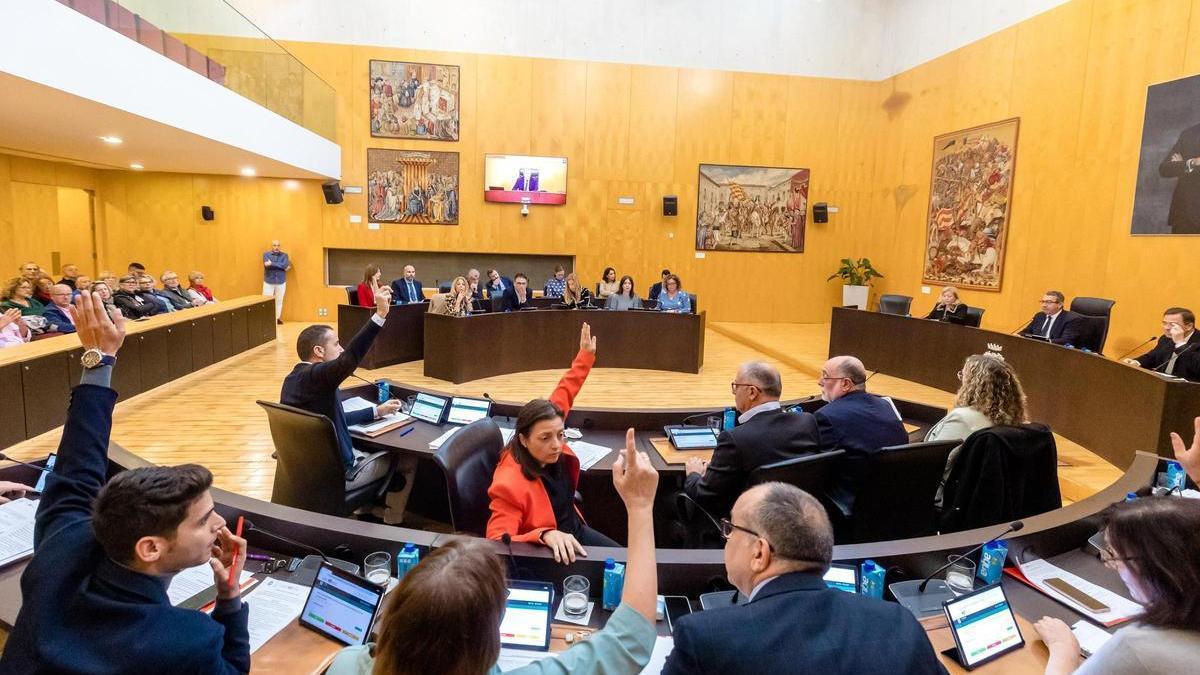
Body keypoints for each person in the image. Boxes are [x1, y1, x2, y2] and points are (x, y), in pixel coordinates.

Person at [0, 291, 251, 673]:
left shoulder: (61, 550)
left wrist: (98, 360)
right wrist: (229, 597)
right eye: (204, 520)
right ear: (150, 547)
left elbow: (76, 469)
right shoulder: (186, 640)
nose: (220, 526)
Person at [327, 426, 660, 675]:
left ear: (392, 619)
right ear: (488, 641)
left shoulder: (346, 666)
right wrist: (641, 506)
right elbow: (629, 641)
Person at [661, 483, 946, 674]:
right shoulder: (899, 624)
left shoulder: (703, 638)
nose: (726, 538)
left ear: (759, 553)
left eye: (730, 529)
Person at [487, 323, 620, 559]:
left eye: (560, 434)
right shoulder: (509, 483)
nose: (557, 444)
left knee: (627, 560)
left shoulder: (547, 424)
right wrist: (544, 534)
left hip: (576, 530)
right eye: (545, 438)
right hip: (551, 551)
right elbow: (497, 541)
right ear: (524, 440)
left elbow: (565, 391)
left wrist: (585, 356)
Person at [1033, 497, 1200, 675]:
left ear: (1152, 565)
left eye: (1113, 554)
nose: (1111, 566)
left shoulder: (1136, 645)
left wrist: (1063, 649)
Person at [281, 286, 402, 482]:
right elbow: (349, 359)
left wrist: (377, 412)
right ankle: (392, 514)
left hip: (310, 472)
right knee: (402, 462)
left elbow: (333, 419)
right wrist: (380, 314)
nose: (342, 348)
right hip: (341, 474)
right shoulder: (317, 376)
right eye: (336, 344)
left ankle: (364, 510)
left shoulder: (293, 379)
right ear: (319, 351)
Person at [684, 361, 821, 518]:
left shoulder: (735, 438)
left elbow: (705, 495)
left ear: (752, 392)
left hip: (748, 523)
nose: (733, 392)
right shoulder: (807, 422)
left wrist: (694, 474)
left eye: (736, 386)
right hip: (797, 515)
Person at [927, 353, 1028, 507]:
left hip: (944, 499)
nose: (960, 381)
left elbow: (933, 464)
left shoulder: (962, 419)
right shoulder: (1014, 420)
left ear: (973, 384)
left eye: (963, 375)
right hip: (986, 500)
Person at [814, 356, 908, 516]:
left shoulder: (826, 416)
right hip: (894, 502)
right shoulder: (885, 406)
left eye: (825, 376)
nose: (819, 381)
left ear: (845, 383)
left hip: (852, 508)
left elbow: (818, 468)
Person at [1124, 307, 1200, 381]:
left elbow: (1197, 367)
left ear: (1189, 326)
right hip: (1162, 385)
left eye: (1172, 324)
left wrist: (1180, 343)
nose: (1167, 327)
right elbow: (1153, 356)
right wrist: (1136, 362)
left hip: (1190, 389)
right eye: (1164, 323)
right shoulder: (1165, 338)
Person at [1157, 122, 1200, 234]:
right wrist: (1192, 162)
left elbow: (1175, 167)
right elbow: (1164, 169)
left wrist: (1182, 164)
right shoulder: (1188, 134)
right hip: (1184, 216)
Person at [263, 239, 291, 324]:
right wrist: (281, 266)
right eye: (274, 245)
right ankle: (266, 319)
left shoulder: (285, 255)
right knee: (266, 301)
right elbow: (267, 266)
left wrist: (272, 264)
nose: (276, 247)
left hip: (281, 281)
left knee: (279, 301)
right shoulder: (266, 254)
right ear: (272, 246)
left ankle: (277, 318)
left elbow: (285, 265)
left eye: (278, 245)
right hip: (269, 281)